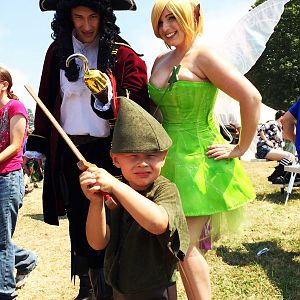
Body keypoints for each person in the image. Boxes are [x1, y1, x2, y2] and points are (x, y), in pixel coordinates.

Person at [23, 0, 149, 299]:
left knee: (114, 217)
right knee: (78, 218)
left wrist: (109, 98)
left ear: (104, 17)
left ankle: (113, 284)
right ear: (68, 18)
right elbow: (45, 97)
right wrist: (38, 146)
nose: (87, 25)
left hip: (110, 153)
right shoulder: (56, 52)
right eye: (79, 17)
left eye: (93, 17)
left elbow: (140, 102)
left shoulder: (123, 53)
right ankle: (87, 286)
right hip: (68, 151)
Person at [149, 1, 262, 299]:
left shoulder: (204, 55)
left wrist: (240, 147)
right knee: (174, 248)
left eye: (172, 19)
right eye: (160, 22)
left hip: (198, 162)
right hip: (165, 161)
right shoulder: (161, 58)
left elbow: (250, 97)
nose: (166, 28)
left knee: (183, 246)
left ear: (190, 17)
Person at [80, 97, 189, 299]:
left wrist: (116, 186)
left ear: (164, 157)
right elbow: (97, 243)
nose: (142, 163)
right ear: (115, 159)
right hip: (119, 285)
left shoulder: (165, 189)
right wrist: (96, 203)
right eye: (132, 156)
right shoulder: (113, 189)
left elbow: (158, 223)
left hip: (156, 287)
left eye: (151, 155)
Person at [0, 65, 38, 299]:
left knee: (1, 241)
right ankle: (27, 259)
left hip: (8, 178)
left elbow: (15, 145)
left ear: (4, 84)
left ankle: (5, 292)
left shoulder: (16, 107)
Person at [256, 110, 295, 183]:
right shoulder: (272, 122)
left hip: (270, 150)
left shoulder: (280, 129)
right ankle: (275, 177)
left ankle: (275, 176)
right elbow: (259, 128)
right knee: (289, 156)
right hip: (264, 148)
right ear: (281, 117)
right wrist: (266, 140)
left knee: (291, 157)